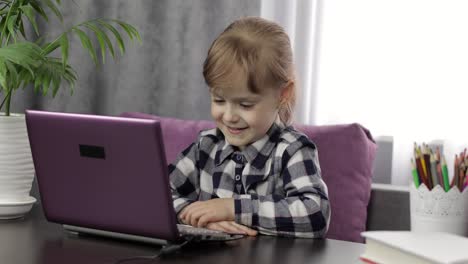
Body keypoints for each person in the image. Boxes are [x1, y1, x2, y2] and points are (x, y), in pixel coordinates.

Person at [169, 17, 330, 238]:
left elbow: (315, 215)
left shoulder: (292, 151)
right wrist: (192, 214)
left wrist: (232, 208)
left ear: (283, 94)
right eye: (218, 100)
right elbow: (156, 194)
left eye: (245, 104)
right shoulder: (205, 147)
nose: (229, 116)